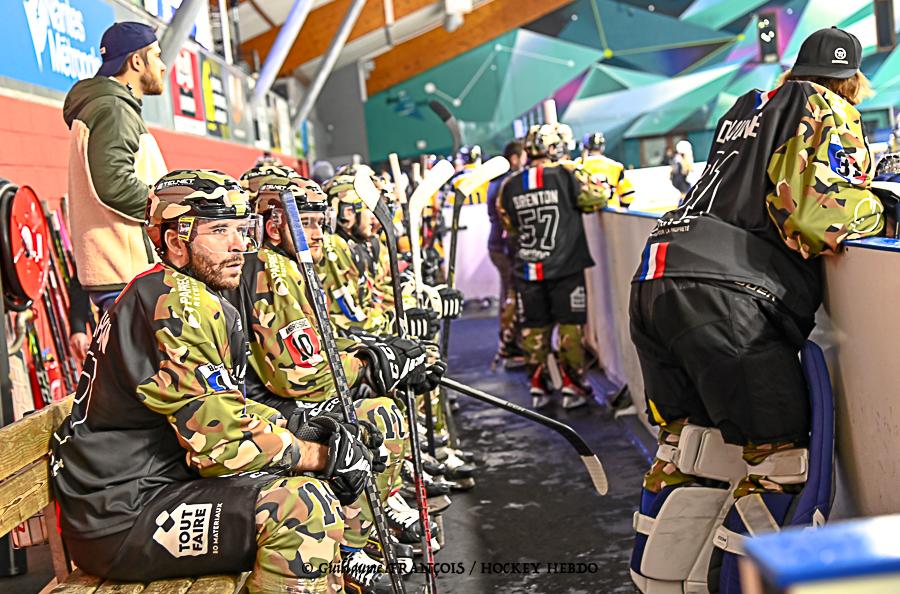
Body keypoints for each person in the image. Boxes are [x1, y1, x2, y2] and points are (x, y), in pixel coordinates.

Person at [628, 27, 884, 594]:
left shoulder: (749, 105)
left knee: (693, 454)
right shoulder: (825, 105)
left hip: (656, 279)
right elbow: (818, 216)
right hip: (728, 298)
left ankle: (659, 585)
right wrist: (885, 210)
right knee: (778, 467)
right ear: (852, 82)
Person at [50, 170, 378, 594]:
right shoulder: (177, 306)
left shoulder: (179, 293)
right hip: (122, 515)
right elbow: (222, 447)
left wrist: (302, 428)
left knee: (311, 487)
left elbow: (221, 403)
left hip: (156, 488)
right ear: (175, 242)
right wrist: (320, 455)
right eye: (220, 230)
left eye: (242, 229)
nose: (239, 244)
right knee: (302, 508)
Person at [225, 168, 441, 592]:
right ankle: (351, 550)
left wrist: (375, 350)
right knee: (373, 421)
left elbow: (322, 337)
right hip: (271, 408)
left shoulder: (290, 265)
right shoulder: (270, 268)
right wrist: (367, 363)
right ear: (273, 226)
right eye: (305, 223)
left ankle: (366, 530)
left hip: (281, 401)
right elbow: (297, 376)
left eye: (318, 223)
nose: (317, 234)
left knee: (384, 405)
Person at [497, 122, 610, 410]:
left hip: (527, 269)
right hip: (565, 267)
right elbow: (597, 197)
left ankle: (538, 385)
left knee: (534, 329)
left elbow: (509, 226)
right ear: (553, 148)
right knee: (571, 328)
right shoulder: (568, 173)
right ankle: (572, 385)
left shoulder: (509, 185)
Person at [64, 22, 168, 314]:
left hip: (124, 273)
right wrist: (172, 208)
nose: (163, 66)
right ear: (136, 61)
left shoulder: (111, 106)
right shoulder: (113, 109)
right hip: (128, 275)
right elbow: (114, 184)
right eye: (156, 56)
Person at [487, 140, 528, 368]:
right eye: (523, 157)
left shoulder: (498, 182)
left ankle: (509, 342)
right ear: (514, 159)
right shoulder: (507, 184)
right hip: (504, 247)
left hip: (499, 246)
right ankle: (510, 346)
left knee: (509, 293)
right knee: (512, 294)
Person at [574, 132, 636, 208]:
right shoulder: (616, 166)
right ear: (602, 147)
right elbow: (628, 194)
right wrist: (621, 209)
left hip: (585, 211)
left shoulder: (578, 164)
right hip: (611, 211)